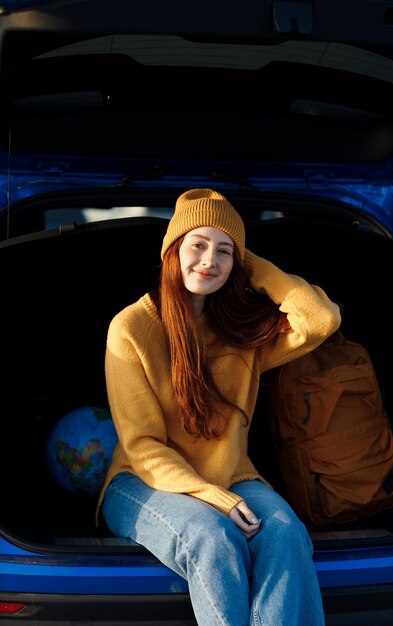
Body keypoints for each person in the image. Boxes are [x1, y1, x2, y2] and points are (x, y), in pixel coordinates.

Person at [97, 188, 341, 626]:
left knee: (285, 533)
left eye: (223, 252)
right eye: (198, 245)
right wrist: (214, 500)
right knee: (213, 537)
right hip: (143, 479)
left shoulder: (241, 333)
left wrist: (249, 262)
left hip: (230, 474)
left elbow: (320, 319)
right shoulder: (131, 327)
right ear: (173, 251)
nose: (209, 260)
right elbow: (144, 446)